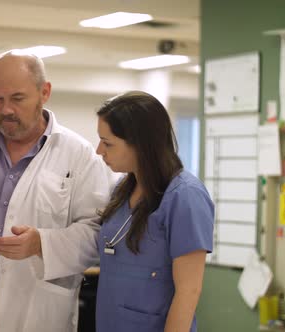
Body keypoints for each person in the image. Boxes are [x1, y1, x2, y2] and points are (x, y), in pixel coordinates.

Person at [0, 50, 111, 332]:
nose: (6, 110)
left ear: (44, 92)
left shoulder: (79, 155)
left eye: (17, 98)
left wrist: (42, 244)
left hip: (37, 313)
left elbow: (95, 233)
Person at [94, 91, 214, 332]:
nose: (99, 150)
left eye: (107, 143)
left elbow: (189, 291)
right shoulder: (121, 191)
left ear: (140, 144)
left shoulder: (185, 196)